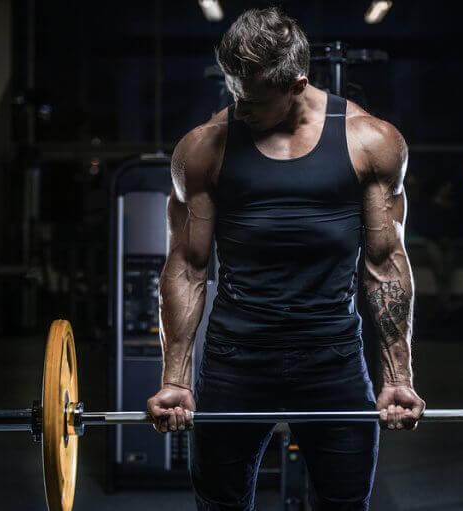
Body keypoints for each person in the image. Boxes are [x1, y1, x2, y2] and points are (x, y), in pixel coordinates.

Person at [146, 7, 425, 510]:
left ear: (297, 84)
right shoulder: (204, 149)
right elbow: (188, 267)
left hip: (333, 360)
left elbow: (385, 265)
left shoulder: (370, 142)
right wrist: (174, 380)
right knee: (220, 504)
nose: (238, 106)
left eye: (252, 100)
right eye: (233, 91)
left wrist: (398, 378)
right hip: (236, 360)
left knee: (344, 503)